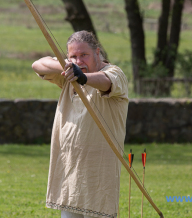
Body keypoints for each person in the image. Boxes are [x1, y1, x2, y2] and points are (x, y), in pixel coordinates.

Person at [32, 31, 129, 218]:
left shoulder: (115, 73)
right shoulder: (69, 75)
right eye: (73, 56)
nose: (79, 61)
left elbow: (106, 82)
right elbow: (38, 65)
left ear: (97, 53)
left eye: (84, 55)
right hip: (70, 170)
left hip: (99, 173)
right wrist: (67, 66)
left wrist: (83, 77)